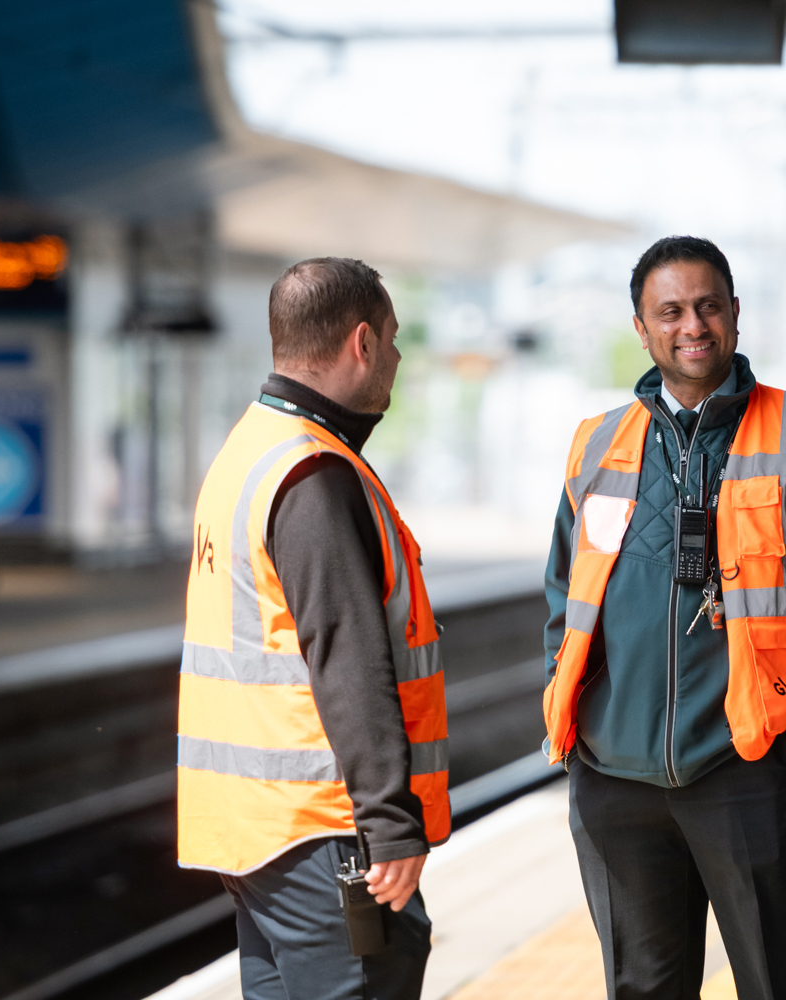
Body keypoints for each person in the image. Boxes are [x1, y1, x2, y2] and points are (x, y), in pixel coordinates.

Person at [544, 236, 786, 1000]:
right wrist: (576, 721)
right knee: (643, 988)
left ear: (736, 314)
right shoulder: (595, 444)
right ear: (641, 328)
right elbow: (564, 598)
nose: (693, 325)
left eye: (708, 306)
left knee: (781, 984)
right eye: (669, 311)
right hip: (615, 780)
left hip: (747, 767)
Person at [178, 258, 448, 1000]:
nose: (396, 357)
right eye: (392, 339)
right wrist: (391, 824)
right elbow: (346, 654)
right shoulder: (312, 473)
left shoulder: (248, 451)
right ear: (362, 341)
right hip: (320, 826)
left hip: (253, 830)